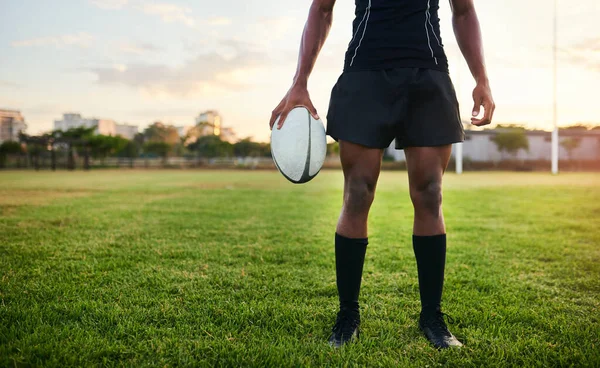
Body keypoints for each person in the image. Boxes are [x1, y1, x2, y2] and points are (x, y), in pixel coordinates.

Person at [269, 0, 494, 349]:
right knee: (357, 193)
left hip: (427, 72)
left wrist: (482, 78)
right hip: (365, 74)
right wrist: (300, 81)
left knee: (430, 193)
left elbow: (463, 11)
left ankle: (432, 316)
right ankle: (347, 316)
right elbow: (321, 9)